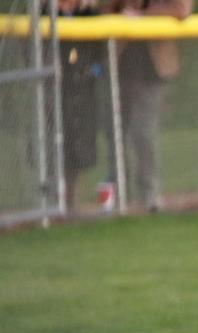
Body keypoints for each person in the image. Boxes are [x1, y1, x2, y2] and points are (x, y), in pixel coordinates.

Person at [104, 0, 192, 212]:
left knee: (143, 132)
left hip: (153, 66)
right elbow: (106, 9)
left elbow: (181, 10)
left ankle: (149, 193)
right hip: (122, 61)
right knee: (116, 131)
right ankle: (118, 192)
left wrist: (142, 15)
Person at [51, 0, 103, 211]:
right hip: (54, 89)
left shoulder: (88, 11)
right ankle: (53, 200)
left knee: (80, 140)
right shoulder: (47, 11)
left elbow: (101, 54)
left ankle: (72, 200)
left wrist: (93, 71)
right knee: (55, 140)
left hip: (82, 89)